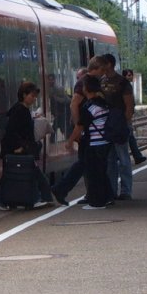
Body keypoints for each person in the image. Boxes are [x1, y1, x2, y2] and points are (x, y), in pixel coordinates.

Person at [0, 81, 54, 210]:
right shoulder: (20, 110)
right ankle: (38, 199)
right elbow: (12, 131)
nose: (34, 99)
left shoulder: (21, 109)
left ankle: (43, 198)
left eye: (35, 96)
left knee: (18, 175)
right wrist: (20, 147)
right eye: (32, 96)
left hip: (19, 148)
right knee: (30, 174)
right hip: (17, 149)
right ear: (24, 94)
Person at [88, 54, 134, 200]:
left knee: (123, 158)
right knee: (110, 159)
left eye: (102, 64)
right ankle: (112, 191)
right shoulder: (100, 81)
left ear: (109, 64)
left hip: (119, 123)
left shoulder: (122, 83)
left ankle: (126, 190)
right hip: (105, 125)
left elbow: (129, 105)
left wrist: (125, 122)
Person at [65, 74, 114, 209]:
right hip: (105, 142)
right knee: (101, 172)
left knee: (94, 174)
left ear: (87, 88)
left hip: (95, 144)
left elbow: (80, 126)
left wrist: (70, 141)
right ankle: (106, 198)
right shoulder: (102, 102)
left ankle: (97, 202)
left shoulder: (90, 107)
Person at [51, 67, 88, 205]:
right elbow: (79, 122)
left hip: (86, 134)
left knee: (85, 163)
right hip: (88, 135)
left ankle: (61, 188)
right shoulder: (86, 104)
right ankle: (60, 188)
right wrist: (71, 139)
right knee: (86, 163)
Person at [122, 68, 147, 165]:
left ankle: (137, 156)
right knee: (129, 136)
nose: (130, 77)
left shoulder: (127, 85)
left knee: (130, 136)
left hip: (127, 115)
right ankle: (136, 156)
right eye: (128, 75)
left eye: (131, 75)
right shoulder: (125, 86)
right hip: (125, 116)